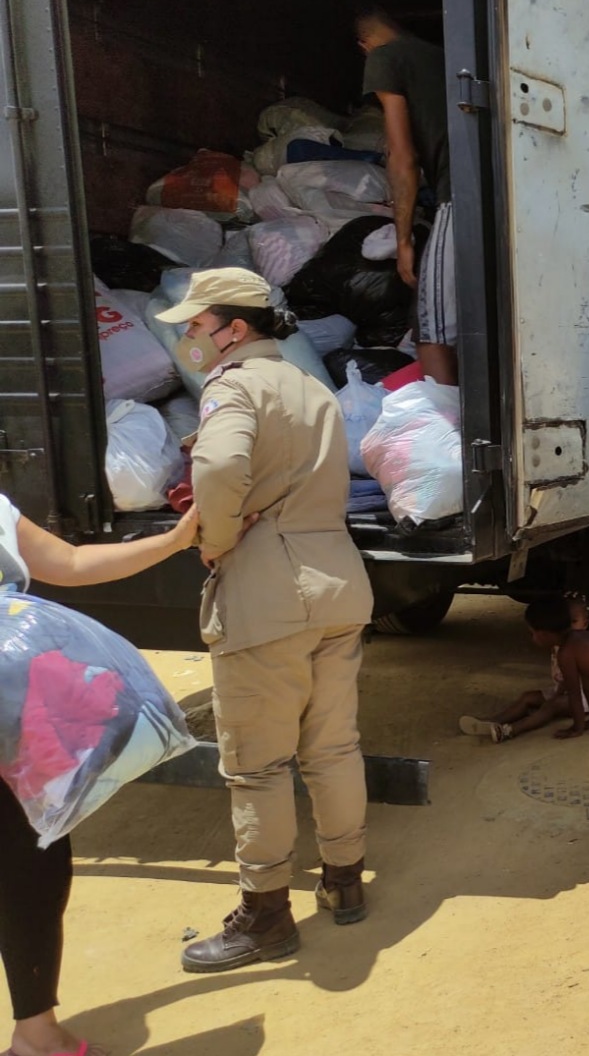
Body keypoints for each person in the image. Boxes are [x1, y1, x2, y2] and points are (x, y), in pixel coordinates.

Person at [156, 268, 376, 973]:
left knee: (257, 766)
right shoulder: (312, 388)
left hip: (267, 592)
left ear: (234, 329)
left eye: (197, 324)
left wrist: (214, 538)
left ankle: (266, 915)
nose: (190, 337)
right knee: (333, 747)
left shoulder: (232, 387)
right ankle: (344, 880)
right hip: (338, 581)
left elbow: (220, 467)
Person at [0, 495, 197, 1056]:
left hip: (14, 720)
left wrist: (174, 540)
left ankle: (37, 1033)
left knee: (30, 863)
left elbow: (70, 562)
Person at [354, 4, 457, 386]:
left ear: (364, 45)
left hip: (458, 192)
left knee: (431, 328)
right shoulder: (442, 57)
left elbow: (402, 157)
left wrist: (403, 240)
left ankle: (442, 419)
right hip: (498, 190)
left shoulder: (384, 58)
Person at [459, 595, 589, 741]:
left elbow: (576, 693)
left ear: (544, 634)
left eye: (532, 633)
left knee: (551, 706)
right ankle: (493, 721)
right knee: (528, 697)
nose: (532, 639)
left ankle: (509, 731)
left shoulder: (567, 652)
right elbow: (587, 683)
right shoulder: (578, 640)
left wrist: (577, 727)